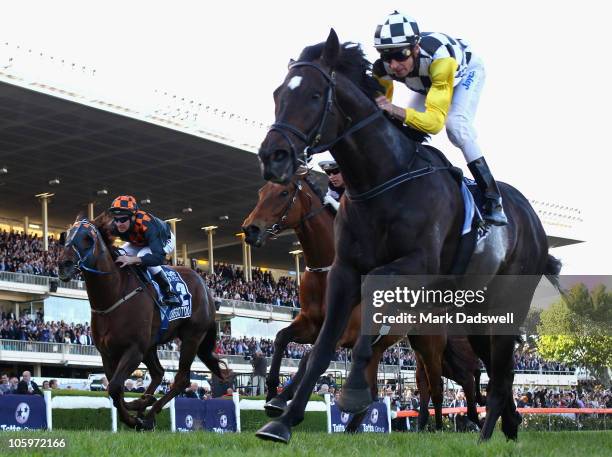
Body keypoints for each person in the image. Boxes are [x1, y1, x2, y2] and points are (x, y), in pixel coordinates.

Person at [372, 11, 507, 226]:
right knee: (404, 128)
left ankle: (493, 197)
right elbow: (382, 111)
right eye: (387, 56)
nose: (394, 65)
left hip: (462, 75)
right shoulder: (383, 68)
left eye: (400, 55)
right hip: (427, 83)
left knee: (456, 125)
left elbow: (435, 124)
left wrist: (394, 109)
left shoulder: (441, 59)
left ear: (415, 48)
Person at [108, 195, 181, 306]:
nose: (118, 224)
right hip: (139, 241)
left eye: (122, 219)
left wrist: (133, 259)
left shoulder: (148, 224)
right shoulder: (114, 226)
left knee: (142, 255)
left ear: (133, 216)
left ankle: (169, 293)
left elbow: (158, 258)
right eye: (116, 219)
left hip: (164, 240)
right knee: (120, 254)